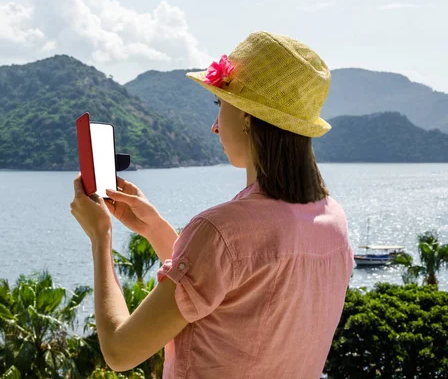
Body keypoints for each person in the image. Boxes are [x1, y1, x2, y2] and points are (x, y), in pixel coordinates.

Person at [70, 30, 354, 379]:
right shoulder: (332, 221)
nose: (215, 126)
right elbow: (227, 287)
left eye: (221, 105)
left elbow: (119, 350)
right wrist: (154, 228)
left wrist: (101, 237)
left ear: (248, 117)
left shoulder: (222, 231)